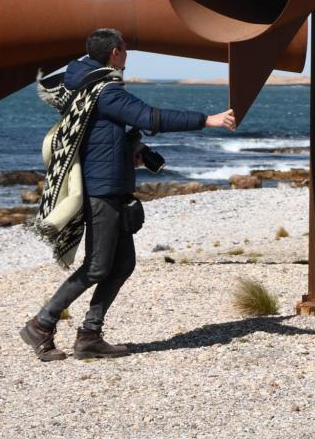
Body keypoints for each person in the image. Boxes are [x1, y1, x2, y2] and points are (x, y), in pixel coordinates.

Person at [20, 28, 236, 361]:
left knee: (122, 264)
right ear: (116, 53)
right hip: (102, 189)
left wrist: (127, 150)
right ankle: (41, 323)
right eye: (125, 49)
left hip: (112, 183)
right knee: (97, 266)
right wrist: (207, 120)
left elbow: (100, 135)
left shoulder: (86, 84)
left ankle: (89, 335)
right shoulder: (105, 90)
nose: (127, 54)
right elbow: (151, 117)